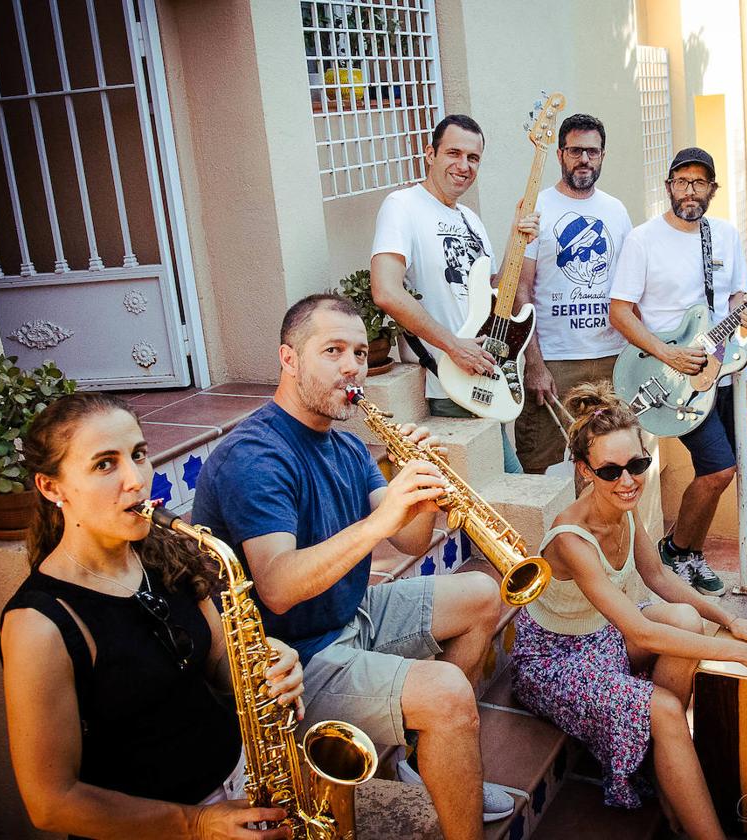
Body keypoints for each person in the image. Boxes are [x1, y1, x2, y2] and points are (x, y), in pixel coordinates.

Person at [192, 294, 516, 840]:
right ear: (289, 359)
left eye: (361, 353)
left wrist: (415, 483)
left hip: (349, 615)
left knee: (483, 595)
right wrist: (379, 518)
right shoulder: (256, 456)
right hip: (292, 660)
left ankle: (428, 754)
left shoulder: (346, 446)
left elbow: (410, 536)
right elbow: (277, 588)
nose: (352, 367)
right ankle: (446, 744)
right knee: (447, 695)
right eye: (333, 350)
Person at [0, 392, 306, 839]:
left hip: (241, 788)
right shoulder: (38, 625)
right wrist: (195, 823)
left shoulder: (167, 552)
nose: (136, 480)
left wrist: (265, 664)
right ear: (52, 488)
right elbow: (50, 802)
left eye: (138, 455)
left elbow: (220, 661)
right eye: (105, 464)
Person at [509, 381, 747, 837]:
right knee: (663, 708)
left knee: (686, 618)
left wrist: (733, 621)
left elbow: (660, 578)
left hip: (602, 636)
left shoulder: (622, 508)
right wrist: (741, 653)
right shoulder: (571, 538)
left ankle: (665, 766)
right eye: (610, 471)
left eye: (637, 465)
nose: (627, 481)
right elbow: (640, 634)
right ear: (584, 471)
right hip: (553, 660)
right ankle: (687, 797)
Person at [610, 147, 747, 595]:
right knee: (718, 470)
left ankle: (689, 555)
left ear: (712, 189)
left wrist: (744, 313)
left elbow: (735, 297)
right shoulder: (643, 239)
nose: (690, 191)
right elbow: (620, 312)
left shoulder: (726, 235)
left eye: (699, 183)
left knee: (722, 472)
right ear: (669, 186)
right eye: (682, 181)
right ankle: (675, 551)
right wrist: (669, 355)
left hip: (722, 368)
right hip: (671, 375)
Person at [370, 114, 539, 474]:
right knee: (506, 493)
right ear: (430, 154)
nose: (463, 166)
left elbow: (495, 295)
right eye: (453, 153)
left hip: (483, 375)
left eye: (473, 158)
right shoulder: (402, 206)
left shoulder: (470, 220)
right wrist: (453, 346)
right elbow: (385, 290)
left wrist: (516, 238)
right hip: (448, 384)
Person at [514, 113, 633, 474]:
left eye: (592, 152)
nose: (584, 160)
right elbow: (521, 288)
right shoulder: (536, 206)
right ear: (560, 154)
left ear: (602, 156)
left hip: (612, 359)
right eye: (576, 151)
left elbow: (630, 288)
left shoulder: (615, 210)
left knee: (612, 463)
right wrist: (535, 364)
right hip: (555, 361)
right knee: (540, 463)